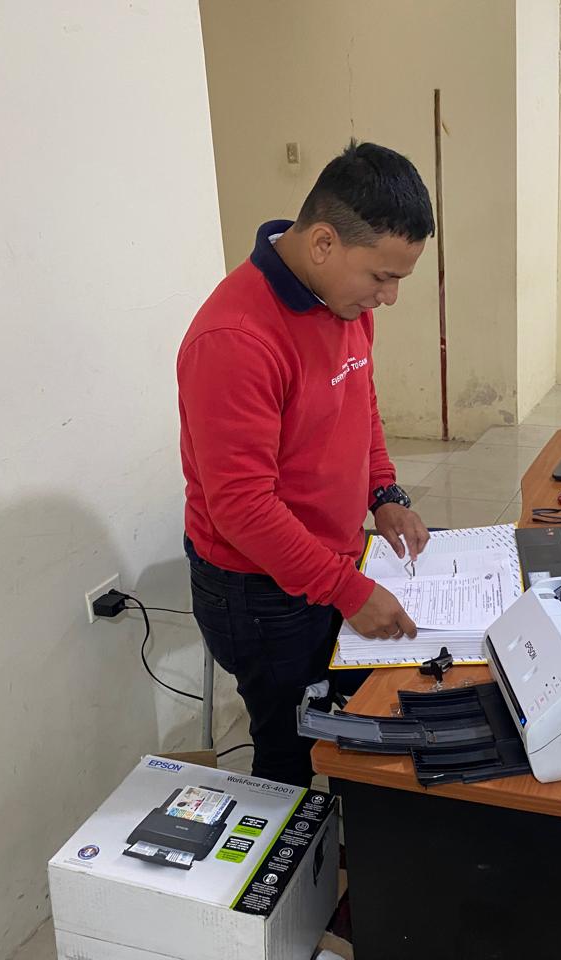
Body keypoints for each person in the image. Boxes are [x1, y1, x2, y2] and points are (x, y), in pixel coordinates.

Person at [177, 141, 435, 787]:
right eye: (382, 277)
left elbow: (359, 402)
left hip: (325, 562)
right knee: (289, 748)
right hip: (260, 589)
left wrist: (385, 493)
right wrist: (349, 591)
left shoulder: (341, 302)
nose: (389, 298)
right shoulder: (236, 339)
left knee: (346, 713)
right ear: (323, 243)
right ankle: (295, 846)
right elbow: (242, 508)